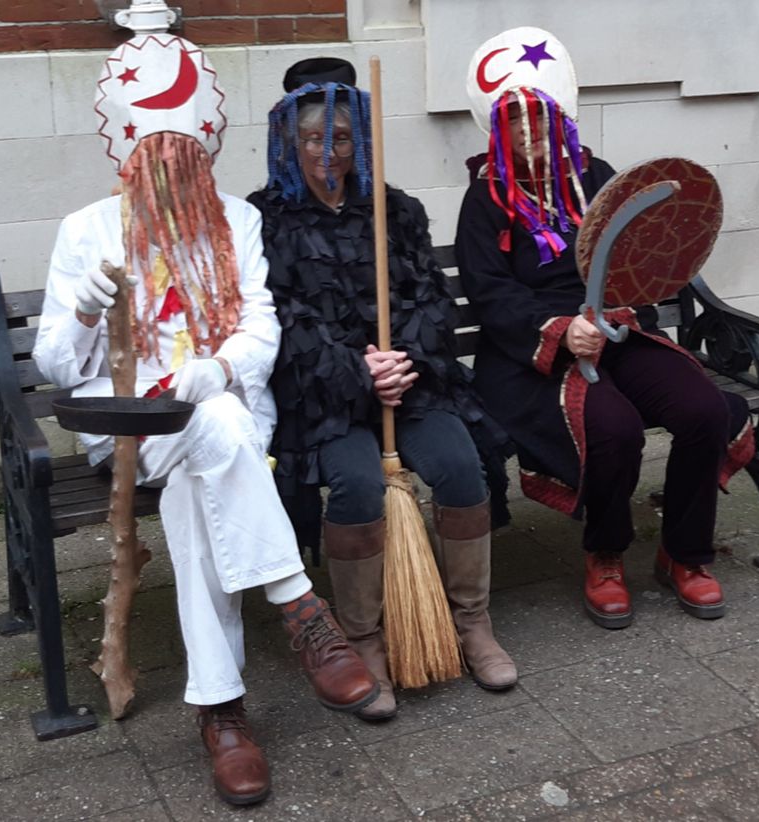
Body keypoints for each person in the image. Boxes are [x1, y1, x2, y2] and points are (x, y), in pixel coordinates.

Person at [32, 34, 378, 807]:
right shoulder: (86, 230)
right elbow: (56, 365)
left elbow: (260, 324)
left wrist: (217, 371)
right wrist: (84, 310)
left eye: (185, 162)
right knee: (213, 435)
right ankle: (301, 608)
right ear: (130, 162)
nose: (172, 178)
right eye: (156, 163)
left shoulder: (235, 222)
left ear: (205, 160)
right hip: (127, 425)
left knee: (202, 470)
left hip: (222, 419)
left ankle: (221, 710)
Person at [454, 28, 756, 629]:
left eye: (539, 117)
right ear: (497, 129)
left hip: (616, 329)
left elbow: (638, 260)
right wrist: (561, 330)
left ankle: (684, 553)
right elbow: (490, 293)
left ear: (560, 117)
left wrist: (619, 307)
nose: (528, 131)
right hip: (531, 353)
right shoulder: (485, 198)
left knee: (703, 409)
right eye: (514, 120)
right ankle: (606, 553)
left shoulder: (598, 178)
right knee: (613, 427)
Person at [246, 58, 517, 722]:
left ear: (361, 140)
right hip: (325, 399)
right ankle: (362, 638)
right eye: (313, 139)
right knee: (358, 485)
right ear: (290, 141)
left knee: (460, 467)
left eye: (340, 138)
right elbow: (281, 320)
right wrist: (357, 371)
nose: (327, 154)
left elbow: (431, 300)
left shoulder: (395, 210)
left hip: (410, 387)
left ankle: (471, 621)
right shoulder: (264, 220)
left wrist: (402, 362)